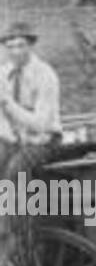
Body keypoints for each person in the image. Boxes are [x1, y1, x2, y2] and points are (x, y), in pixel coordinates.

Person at [0, 21, 61, 177]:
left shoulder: (45, 75)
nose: (16, 52)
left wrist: (8, 103)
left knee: (16, 169)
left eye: (21, 46)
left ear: (31, 46)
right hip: (12, 138)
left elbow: (41, 125)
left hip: (44, 140)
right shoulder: (3, 73)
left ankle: (18, 201)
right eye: (10, 47)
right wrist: (9, 138)